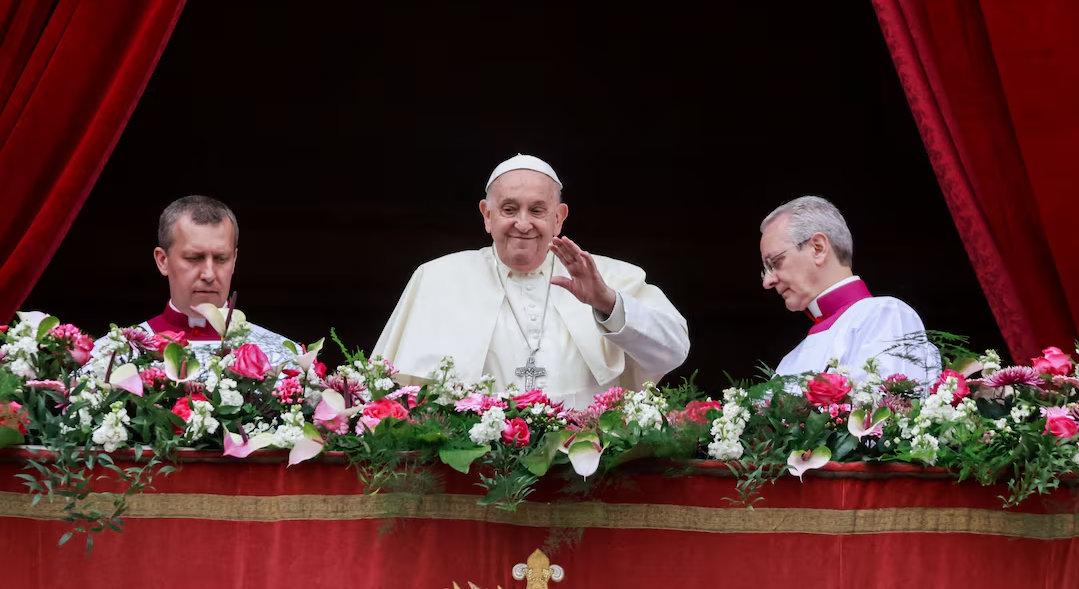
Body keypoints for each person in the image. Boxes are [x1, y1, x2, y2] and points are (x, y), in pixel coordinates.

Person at [373, 154, 690, 409]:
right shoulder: (438, 278)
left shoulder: (610, 277)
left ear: (558, 217)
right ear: (487, 215)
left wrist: (606, 302)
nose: (522, 224)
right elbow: (388, 391)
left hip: (589, 474)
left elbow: (673, 352)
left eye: (537, 210)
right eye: (509, 209)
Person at [91, 195, 291, 368]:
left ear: (234, 261)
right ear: (163, 261)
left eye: (221, 259)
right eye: (194, 258)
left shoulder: (282, 358)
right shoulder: (110, 358)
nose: (209, 274)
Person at [759, 195, 940, 387]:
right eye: (766, 269)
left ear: (818, 248)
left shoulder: (885, 314)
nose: (768, 281)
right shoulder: (788, 362)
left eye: (775, 263)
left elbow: (895, 411)